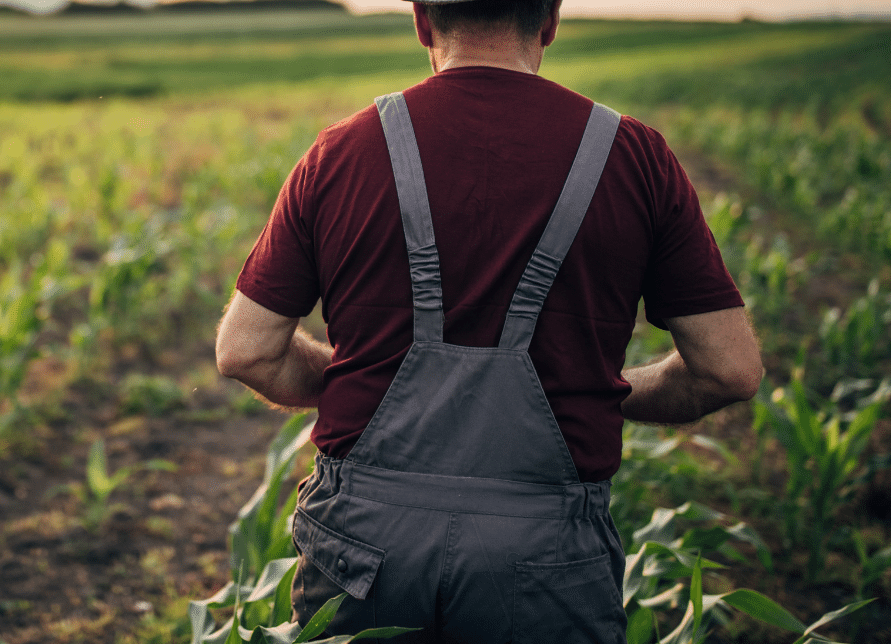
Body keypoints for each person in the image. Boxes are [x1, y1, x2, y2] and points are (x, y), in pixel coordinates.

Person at [215, 0, 764, 641]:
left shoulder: (342, 152)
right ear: (551, 19)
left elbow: (247, 350)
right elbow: (729, 370)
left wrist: (360, 382)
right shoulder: (632, 157)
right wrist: (605, 393)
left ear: (422, 20)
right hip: (546, 548)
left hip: (366, 544)